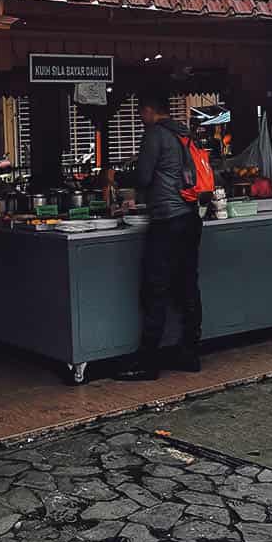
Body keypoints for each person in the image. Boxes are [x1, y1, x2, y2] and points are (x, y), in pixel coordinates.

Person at [117, 91, 204, 381]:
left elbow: (143, 177)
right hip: (191, 217)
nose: (140, 119)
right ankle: (190, 353)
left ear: (149, 110)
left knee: (155, 288)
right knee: (188, 284)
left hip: (167, 219)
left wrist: (115, 178)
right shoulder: (183, 132)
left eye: (141, 113)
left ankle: (148, 362)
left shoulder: (155, 133)